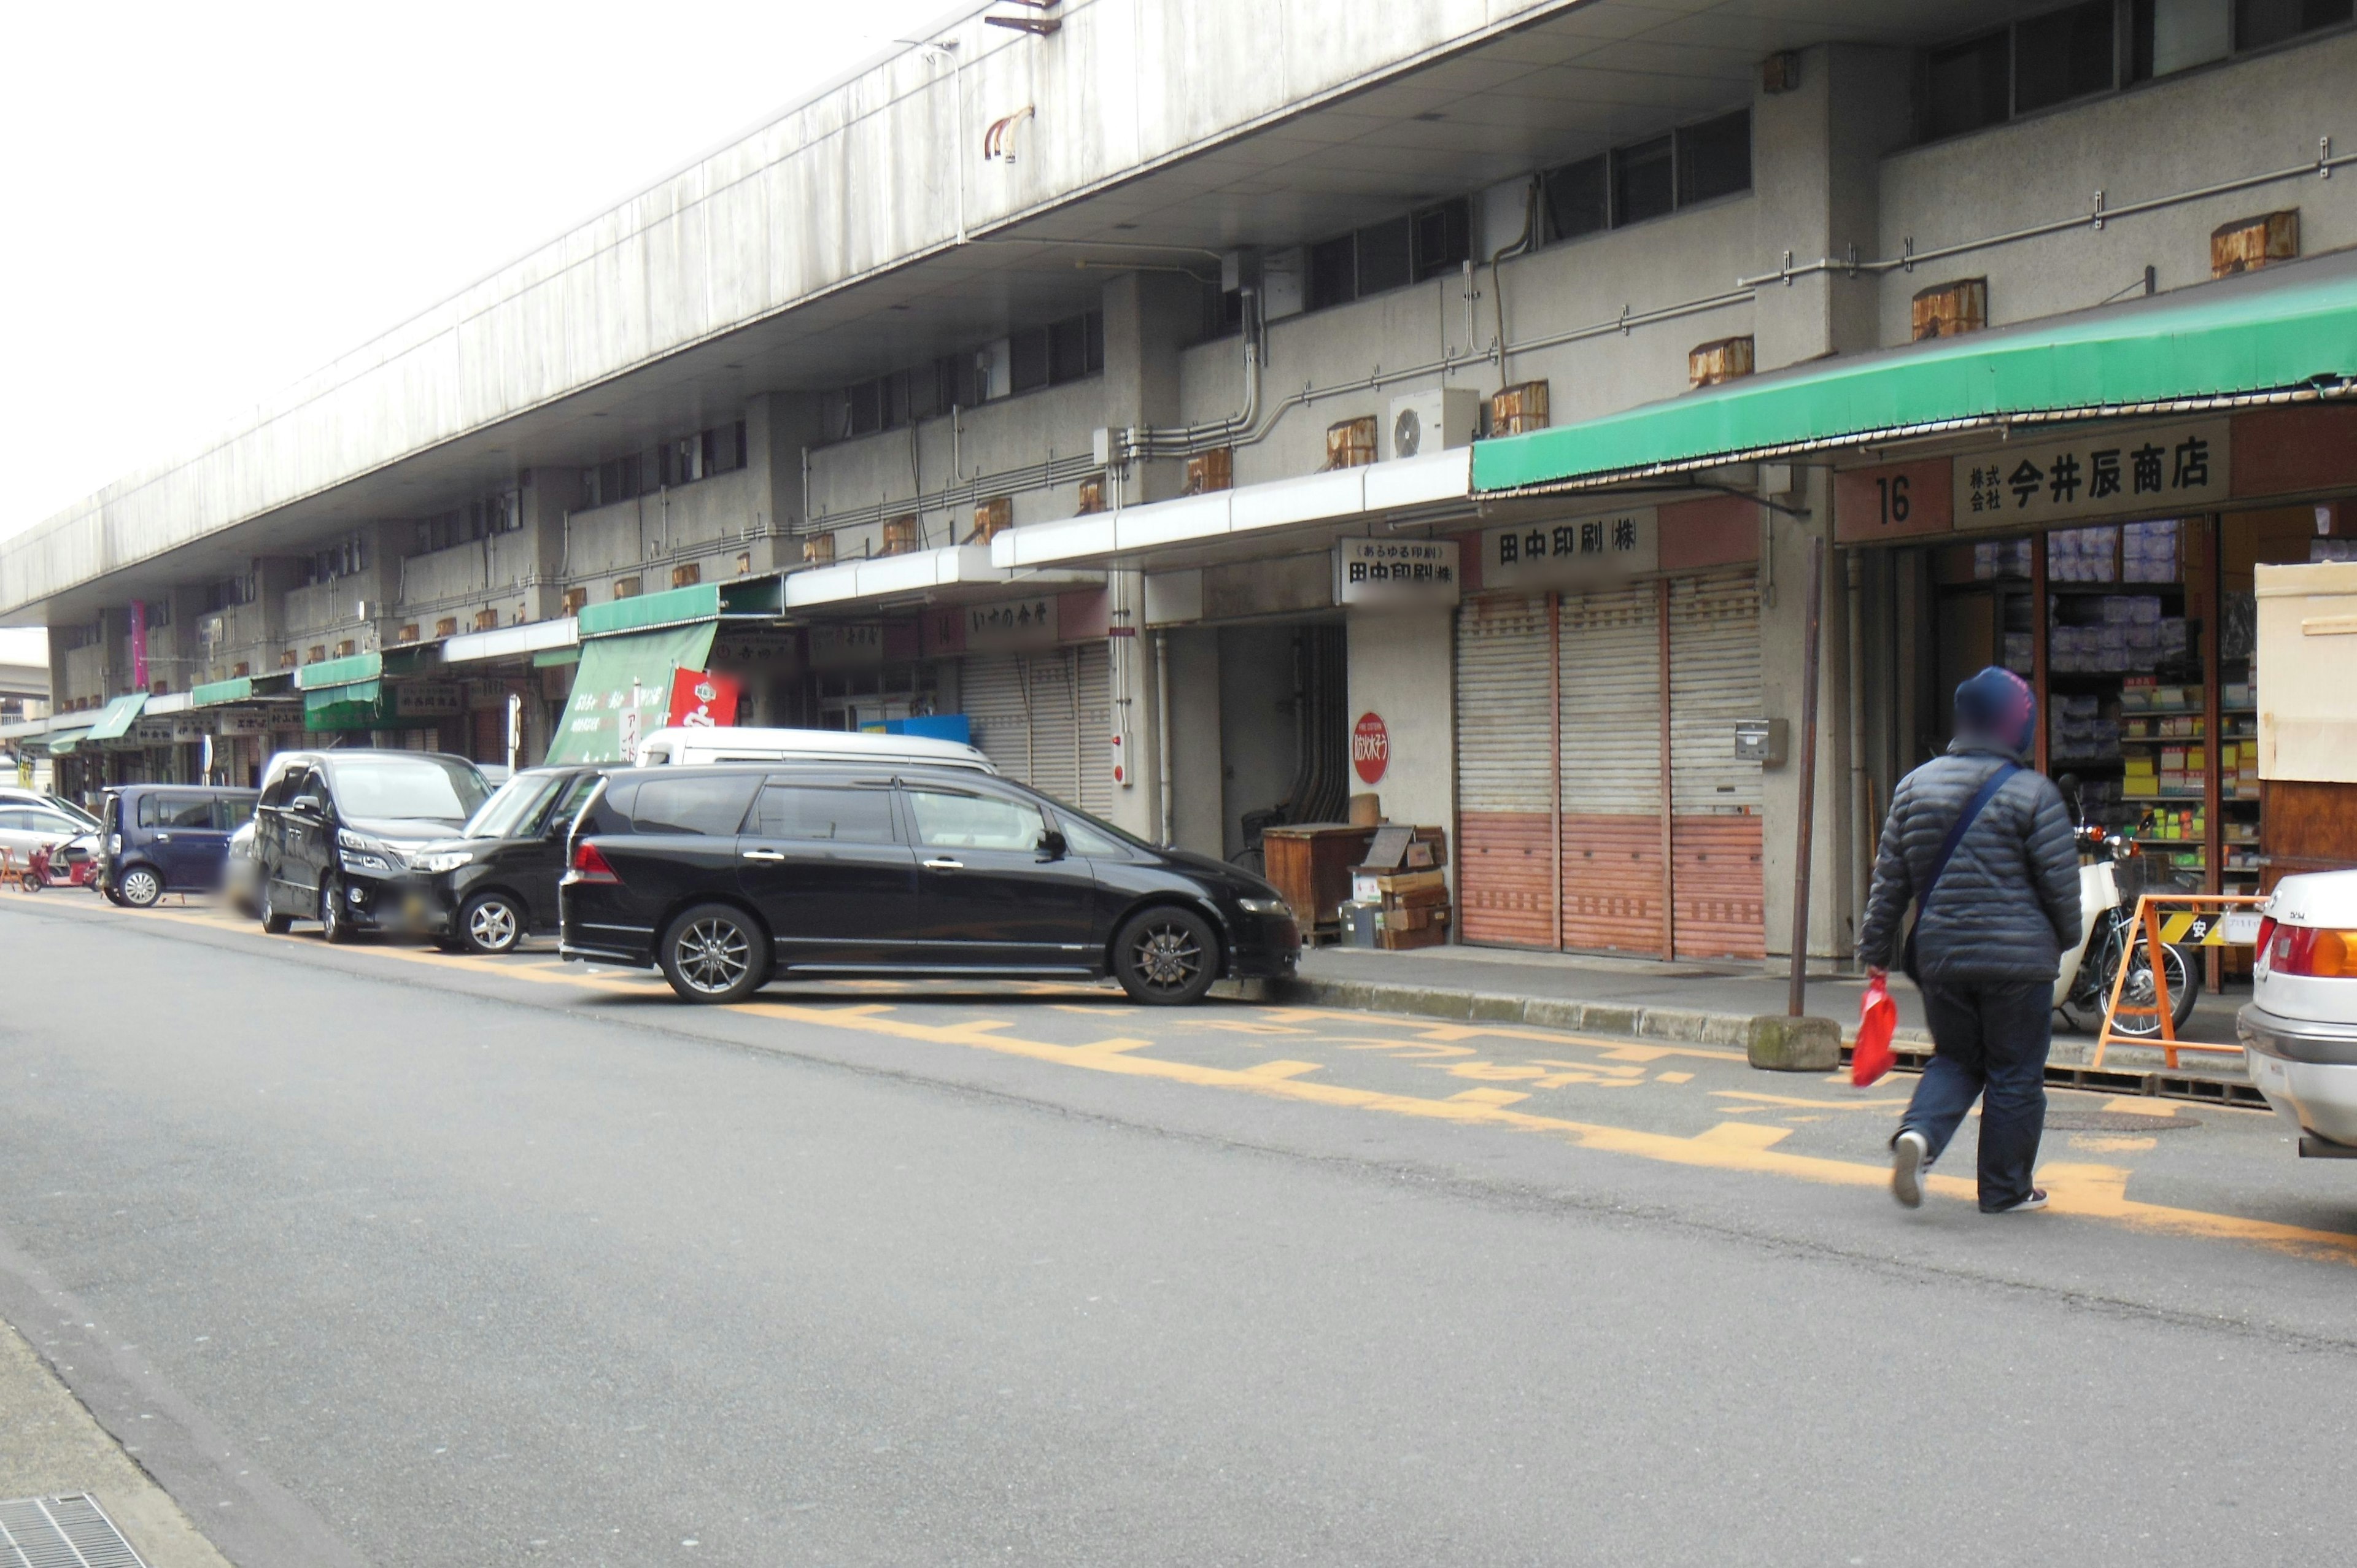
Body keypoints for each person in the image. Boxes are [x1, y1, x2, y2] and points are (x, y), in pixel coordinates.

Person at [1857, 666, 2082, 1214]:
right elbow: (2060, 886)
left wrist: (1874, 951)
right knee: (2014, 1071)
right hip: (2018, 963)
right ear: (2016, 726)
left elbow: (1891, 880)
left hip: (1941, 956)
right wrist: (2065, 940)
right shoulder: (2035, 794)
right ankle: (2006, 1189)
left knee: (1957, 1058)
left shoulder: (1914, 786)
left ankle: (1921, 1136)